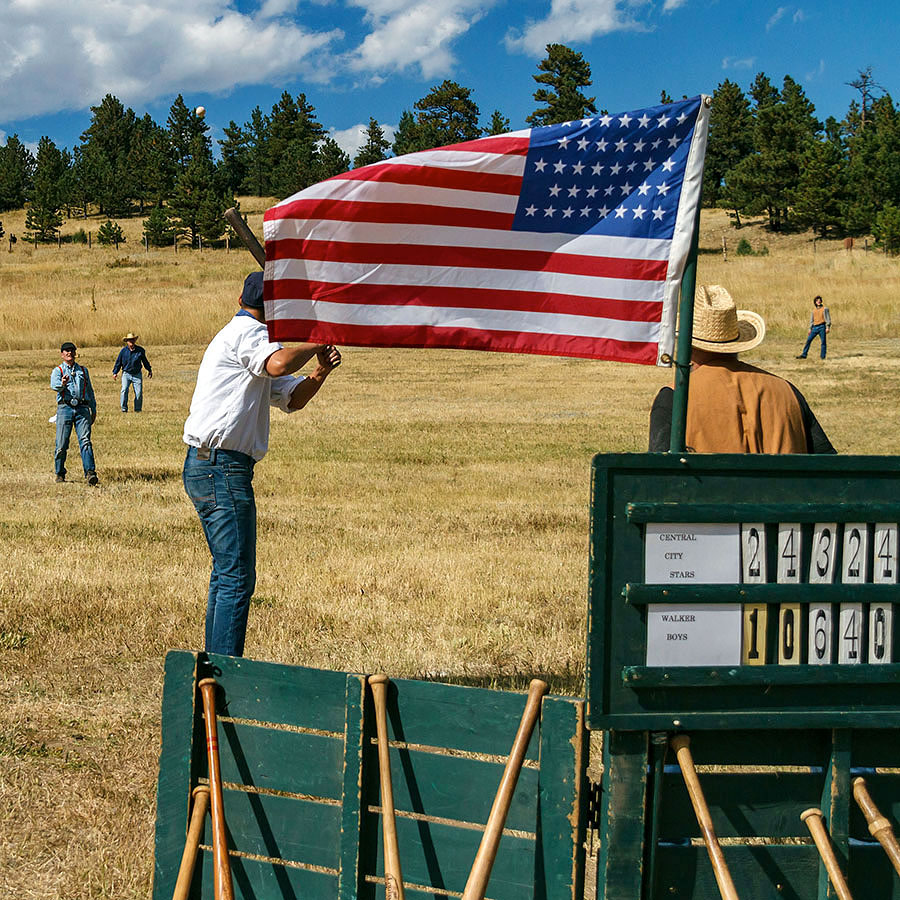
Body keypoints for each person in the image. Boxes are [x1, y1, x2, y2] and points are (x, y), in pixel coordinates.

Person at [182, 271, 342, 657]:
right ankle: (224, 675)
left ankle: (215, 670)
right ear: (274, 309)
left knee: (227, 575)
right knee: (236, 577)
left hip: (211, 465)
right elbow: (279, 365)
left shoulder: (250, 338)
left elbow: (292, 397)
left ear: (240, 299)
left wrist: (319, 371)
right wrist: (318, 336)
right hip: (222, 467)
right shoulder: (250, 336)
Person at [649, 284, 835, 454]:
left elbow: (658, 480)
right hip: (785, 491)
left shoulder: (674, 397)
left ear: (686, 345)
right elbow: (829, 466)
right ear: (738, 342)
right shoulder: (788, 391)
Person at [51, 341, 99, 484]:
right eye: (66, 351)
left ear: (75, 353)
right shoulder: (58, 371)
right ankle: (60, 473)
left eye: (71, 350)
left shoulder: (83, 371)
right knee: (61, 444)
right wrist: (63, 384)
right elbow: (54, 386)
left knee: (85, 441)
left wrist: (93, 409)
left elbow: (89, 390)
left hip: (82, 409)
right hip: (65, 409)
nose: (69, 353)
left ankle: (90, 473)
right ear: (62, 354)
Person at [112, 332, 152, 411]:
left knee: (139, 393)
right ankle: (124, 409)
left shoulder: (140, 351)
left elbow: (145, 361)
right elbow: (118, 362)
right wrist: (115, 372)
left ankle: (137, 409)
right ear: (127, 341)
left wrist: (149, 370)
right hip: (126, 374)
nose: (131, 342)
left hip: (137, 374)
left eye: (132, 340)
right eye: (129, 340)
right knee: (124, 390)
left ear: (135, 340)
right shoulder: (123, 351)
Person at [796, 295, 831, 360]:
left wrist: (827, 327)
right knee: (808, 340)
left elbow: (828, 318)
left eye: (819, 300)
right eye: (817, 300)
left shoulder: (825, 309)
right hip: (815, 327)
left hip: (822, 327)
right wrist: (810, 329)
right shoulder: (813, 310)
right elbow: (811, 320)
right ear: (815, 302)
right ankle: (804, 354)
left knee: (823, 342)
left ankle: (822, 357)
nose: (819, 301)